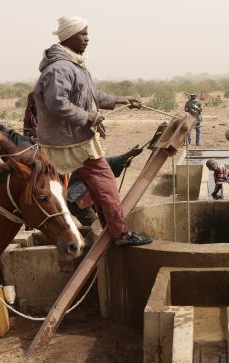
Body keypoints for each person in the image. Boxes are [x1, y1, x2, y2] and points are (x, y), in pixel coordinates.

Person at [33, 16, 151, 246]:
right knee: (106, 184)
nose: (87, 39)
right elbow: (57, 103)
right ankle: (120, 233)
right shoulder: (60, 69)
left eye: (87, 33)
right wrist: (89, 116)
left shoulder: (74, 65)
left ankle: (112, 228)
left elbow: (92, 96)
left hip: (74, 139)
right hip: (70, 142)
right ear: (68, 36)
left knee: (95, 187)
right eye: (83, 34)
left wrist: (120, 100)